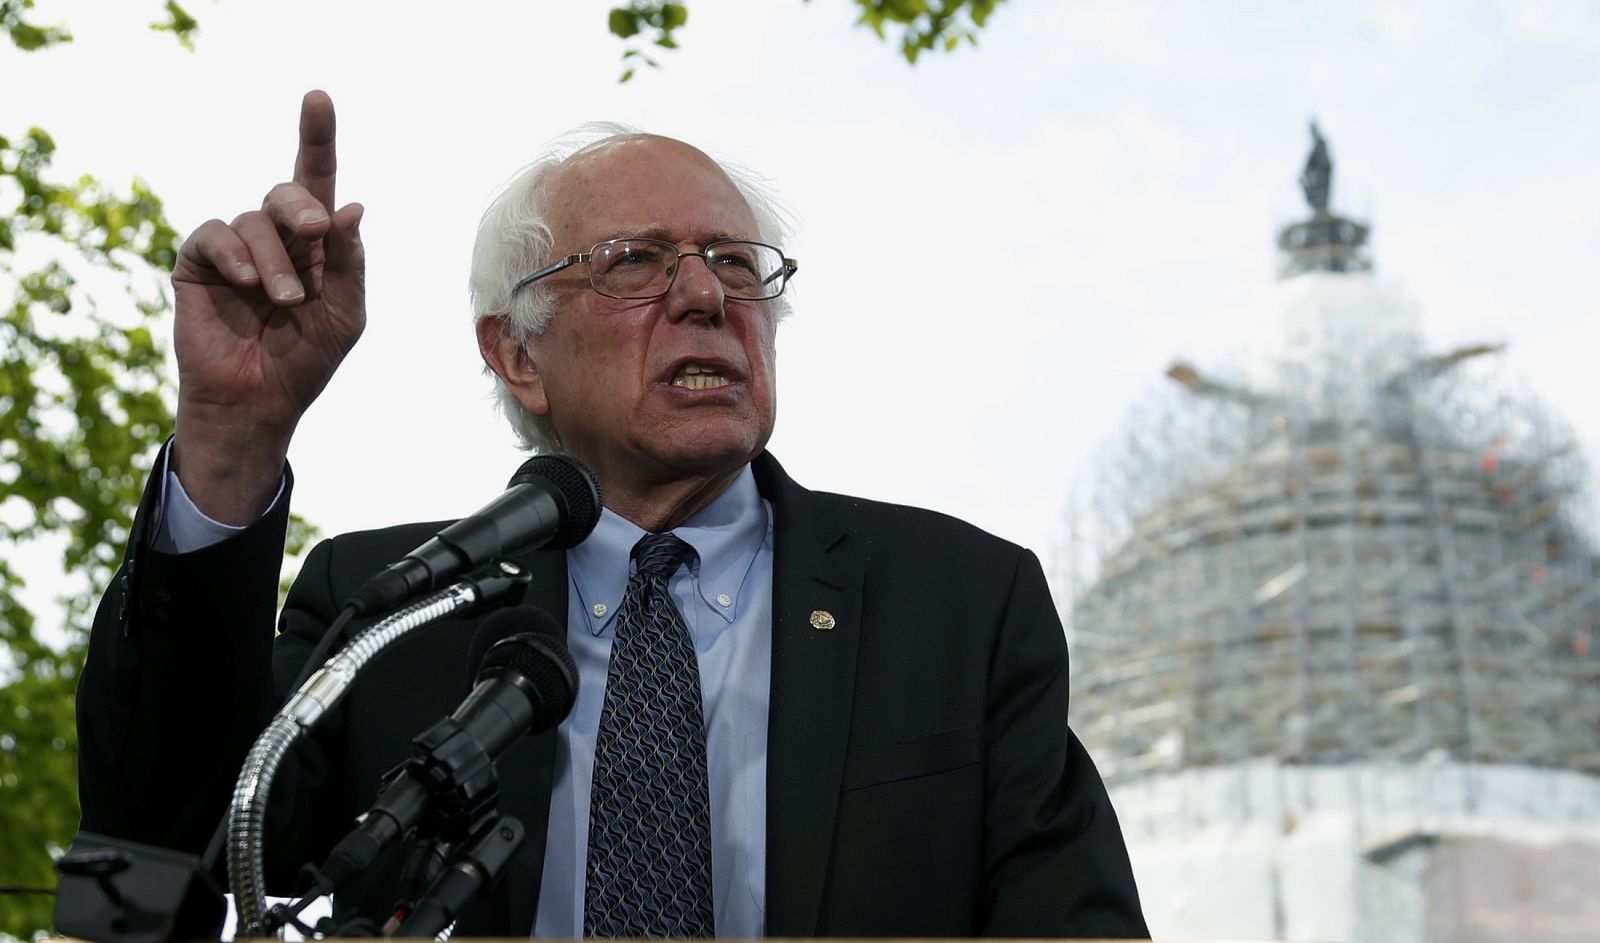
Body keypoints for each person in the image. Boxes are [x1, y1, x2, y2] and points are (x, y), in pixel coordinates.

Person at [76, 90, 1148, 937]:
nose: (705, 296)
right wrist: (233, 436)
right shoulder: (385, 606)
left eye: (735, 262)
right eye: (635, 261)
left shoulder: (958, 601)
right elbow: (154, 856)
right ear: (516, 353)